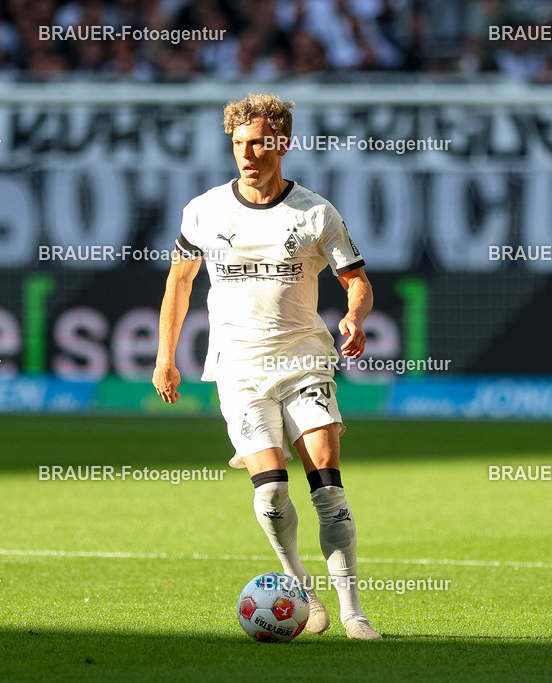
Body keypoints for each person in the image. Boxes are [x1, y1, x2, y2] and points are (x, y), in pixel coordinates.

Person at [152, 93, 380, 640]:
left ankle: (353, 612)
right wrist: (165, 356)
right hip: (239, 368)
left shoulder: (315, 212)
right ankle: (300, 586)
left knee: (327, 487)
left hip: (304, 361)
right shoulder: (204, 210)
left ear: (282, 143)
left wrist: (354, 316)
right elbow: (179, 283)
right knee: (272, 491)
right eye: (238, 145)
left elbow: (358, 281)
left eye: (257, 143)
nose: (247, 154)